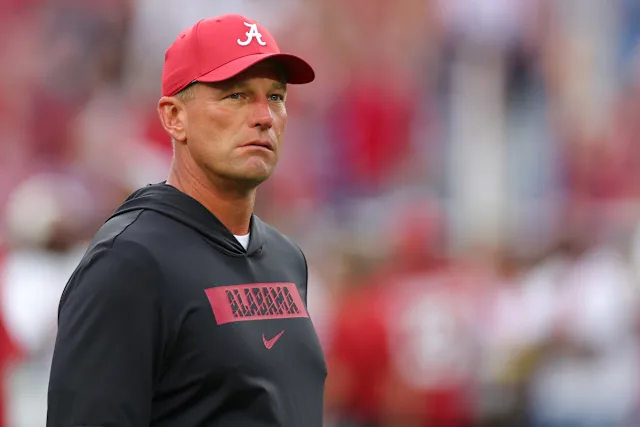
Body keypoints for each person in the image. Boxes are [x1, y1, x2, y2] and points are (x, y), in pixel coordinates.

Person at [46, 14, 326, 427]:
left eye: (276, 96)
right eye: (236, 95)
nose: (264, 116)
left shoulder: (286, 259)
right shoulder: (129, 262)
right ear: (174, 117)